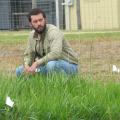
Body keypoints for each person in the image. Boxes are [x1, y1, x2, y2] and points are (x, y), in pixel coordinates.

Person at [16, 8, 78, 77]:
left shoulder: (54, 32)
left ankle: (63, 85)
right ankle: (35, 87)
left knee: (51, 65)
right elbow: (28, 55)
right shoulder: (31, 35)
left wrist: (36, 63)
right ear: (30, 24)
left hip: (69, 66)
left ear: (45, 19)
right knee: (19, 71)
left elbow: (56, 54)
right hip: (45, 66)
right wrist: (27, 65)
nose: (39, 23)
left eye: (40, 20)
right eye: (35, 21)